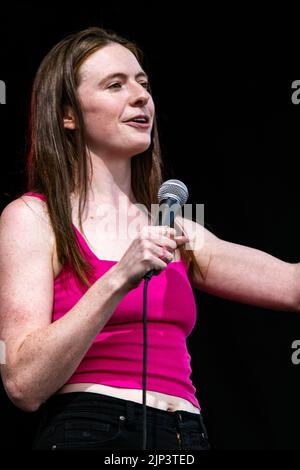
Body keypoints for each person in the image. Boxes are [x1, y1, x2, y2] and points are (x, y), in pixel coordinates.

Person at [0, 27, 298, 451]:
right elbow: (23, 382)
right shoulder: (34, 217)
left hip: (185, 435)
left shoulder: (175, 227)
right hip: (93, 429)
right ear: (68, 114)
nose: (141, 96)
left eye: (143, 84)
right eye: (115, 85)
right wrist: (120, 276)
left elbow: (292, 284)